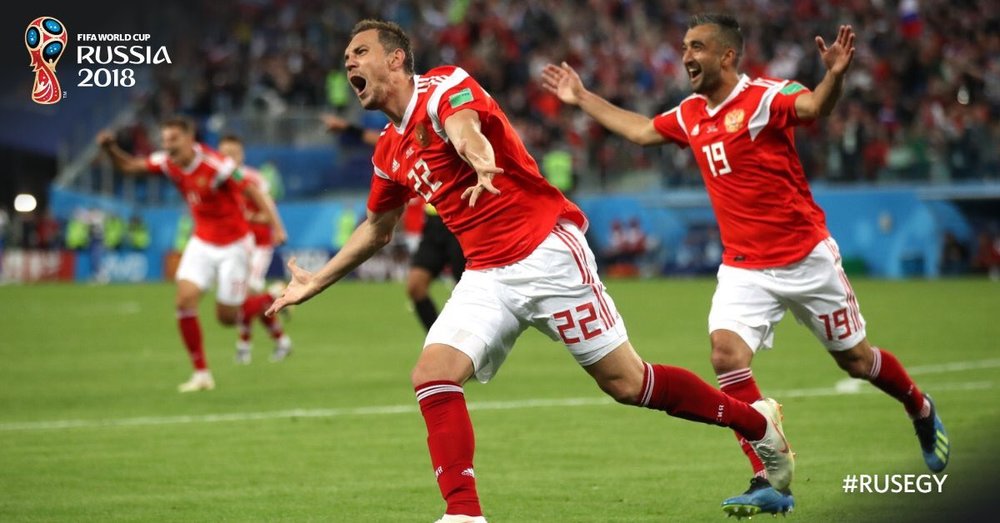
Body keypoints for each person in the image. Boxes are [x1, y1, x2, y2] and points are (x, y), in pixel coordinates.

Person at [267, 19, 793, 523]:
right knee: (432, 374)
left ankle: (755, 422)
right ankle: (463, 512)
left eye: (360, 52)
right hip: (486, 274)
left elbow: (464, 127)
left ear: (396, 59)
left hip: (546, 254)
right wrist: (317, 279)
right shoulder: (388, 149)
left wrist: (478, 156)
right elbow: (377, 229)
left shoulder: (444, 86)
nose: (349, 62)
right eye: (346, 57)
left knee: (628, 383)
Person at [542, 15, 950, 517]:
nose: (686, 57)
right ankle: (768, 476)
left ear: (727, 56)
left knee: (858, 362)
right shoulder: (691, 113)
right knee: (726, 356)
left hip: (806, 259)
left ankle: (919, 407)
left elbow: (814, 106)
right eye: (684, 46)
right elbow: (643, 131)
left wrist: (835, 75)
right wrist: (582, 97)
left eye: (697, 47)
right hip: (744, 266)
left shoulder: (765, 98)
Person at [97, 117, 287, 392]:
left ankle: (271, 297)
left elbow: (253, 190)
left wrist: (277, 227)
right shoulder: (168, 162)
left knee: (226, 318)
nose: (167, 145)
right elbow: (129, 166)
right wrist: (110, 149)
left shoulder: (217, 166)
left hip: (234, 245)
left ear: (189, 138)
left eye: (173, 139)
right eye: (165, 139)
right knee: (184, 300)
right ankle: (201, 374)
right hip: (202, 242)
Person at [324, 113, 466, 331]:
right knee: (416, 287)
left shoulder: (441, 126)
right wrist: (348, 129)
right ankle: (440, 339)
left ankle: (469, 342)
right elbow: (381, 141)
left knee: (466, 292)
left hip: (459, 220)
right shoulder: (406, 135)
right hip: (433, 224)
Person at [218, 134, 293, 363]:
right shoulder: (218, 179)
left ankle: (244, 348)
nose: (228, 157)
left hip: (259, 246)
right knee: (254, 303)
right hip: (236, 247)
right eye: (224, 153)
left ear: (241, 155)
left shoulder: (253, 179)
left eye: (233, 153)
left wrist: (251, 217)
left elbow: (269, 213)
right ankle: (281, 340)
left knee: (244, 300)